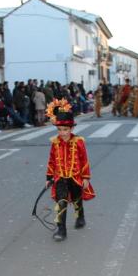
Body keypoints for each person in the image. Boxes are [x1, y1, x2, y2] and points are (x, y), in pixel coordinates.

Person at [45, 99, 95, 242]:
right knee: (61, 202)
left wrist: (85, 177)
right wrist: (49, 178)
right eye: (60, 130)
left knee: (77, 198)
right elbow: (51, 160)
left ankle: (80, 217)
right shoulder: (55, 143)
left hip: (76, 177)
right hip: (60, 177)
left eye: (65, 130)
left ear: (72, 128)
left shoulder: (78, 142)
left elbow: (84, 159)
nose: (63, 133)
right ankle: (61, 229)